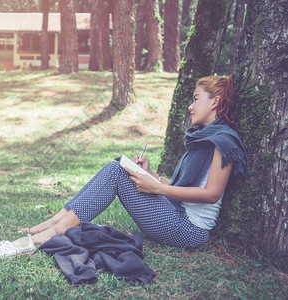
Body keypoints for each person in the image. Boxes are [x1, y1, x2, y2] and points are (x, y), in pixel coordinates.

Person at [21, 75, 250, 247]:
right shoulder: (206, 139)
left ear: (215, 101)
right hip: (175, 216)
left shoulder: (224, 142)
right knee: (116, 167)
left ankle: (60, 228)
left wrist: (157, 187)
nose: (190, 106)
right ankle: (56, 222)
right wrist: (151, 174)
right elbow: (183, 188)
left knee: (117, 172)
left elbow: (212, 194)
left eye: (196, 99)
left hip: (188, 231)